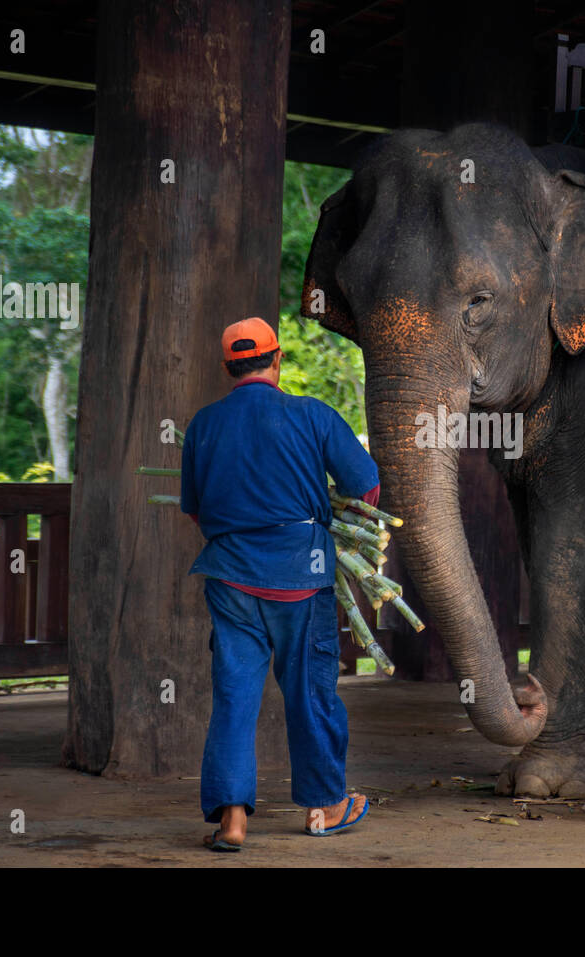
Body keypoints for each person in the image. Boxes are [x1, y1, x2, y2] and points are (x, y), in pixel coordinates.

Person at [181, 316, 380, 851]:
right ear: (278, 360)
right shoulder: (312, 414)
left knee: (234, 698)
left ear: (228, 367)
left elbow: (195, 511)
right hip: (301, 578)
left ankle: (233, 822)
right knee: (311, 693)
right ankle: (323, 808)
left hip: (230, 579)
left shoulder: (203, 425)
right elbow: (367, 487)